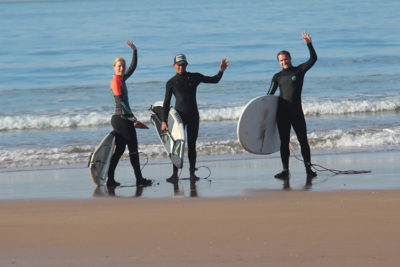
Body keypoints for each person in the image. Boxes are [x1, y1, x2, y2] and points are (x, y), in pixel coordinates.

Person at [162, 54, 229, 181]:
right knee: (176, 145)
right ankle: (174, 174)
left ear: (186, 65)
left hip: (193, 115)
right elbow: (166, 103)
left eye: (183, 64)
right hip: (178, 118)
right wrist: (164, 121)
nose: (181, 67)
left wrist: (221, 71)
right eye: (179, 65)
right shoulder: (171, 83)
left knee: (192, 145)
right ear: (174, 66)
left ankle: (192, 173)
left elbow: (214, 80)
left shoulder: (194, 77)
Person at [267, 31, 317, 180]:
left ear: (290, 58)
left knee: (303, 141)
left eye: (286, 59)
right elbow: (269, 95)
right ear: (278, 62)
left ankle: (308, 169)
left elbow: (313, 59)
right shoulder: (277, 77)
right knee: (284, 143)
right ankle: (285, 170)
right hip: (282, 114)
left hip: (296, 112)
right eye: (281, 60)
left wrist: (309, 44)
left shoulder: (299, 71)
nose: (284, 62)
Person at [107, 40, 152, 187]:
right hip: (121, 119)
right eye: (119, 66)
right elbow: (120, 102)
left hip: (120, 119)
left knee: (120, 150)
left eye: (123, 66)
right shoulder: (116, 82)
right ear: (114, 68)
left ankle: (110, 180)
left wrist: (135, 51)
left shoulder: (122, 79)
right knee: (133, 149)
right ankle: (139, 180)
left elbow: (132, 68)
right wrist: (131, 116)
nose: (122, 68)